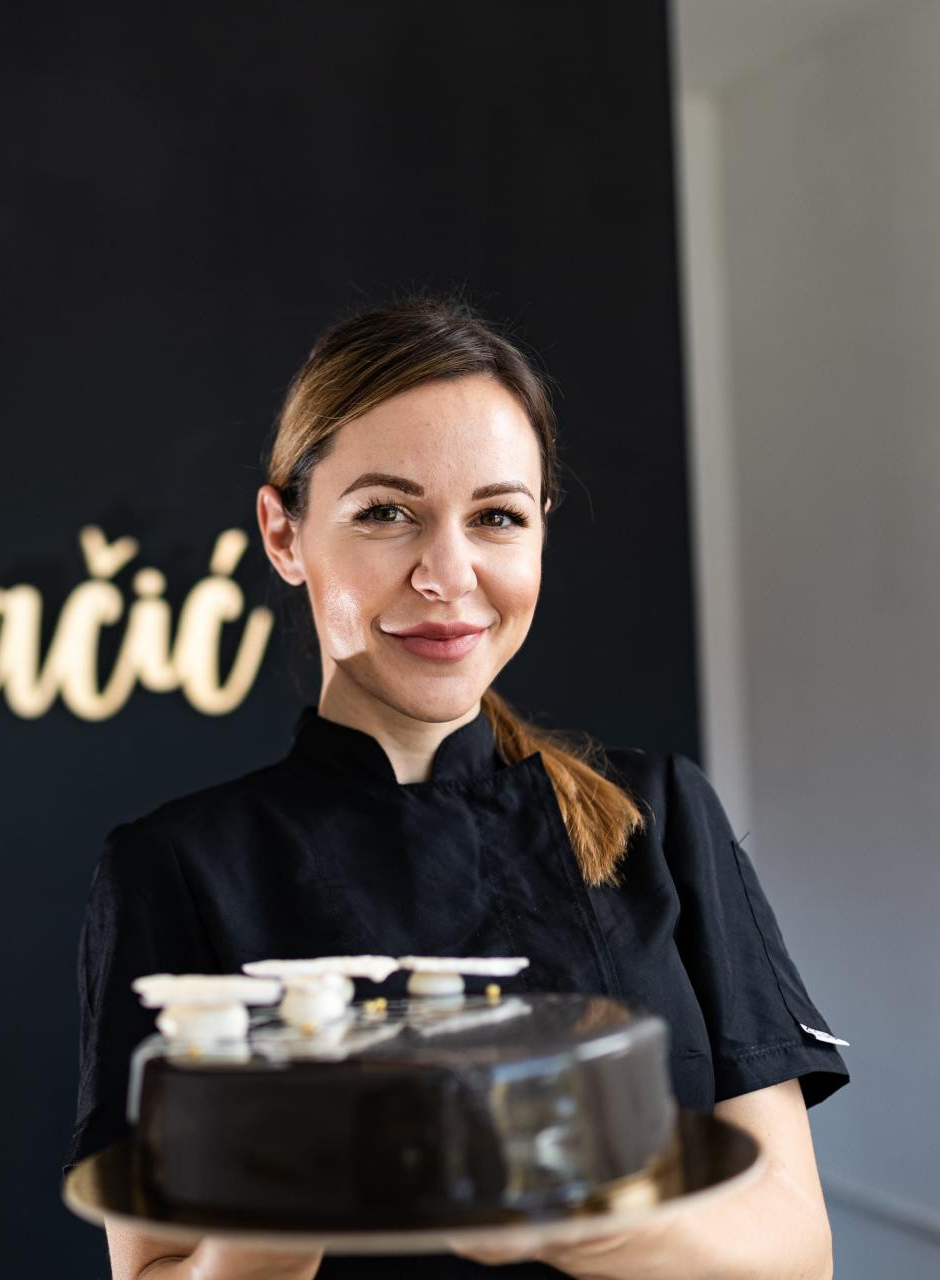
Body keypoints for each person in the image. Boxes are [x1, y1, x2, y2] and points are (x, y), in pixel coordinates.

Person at [64, 296, 850, 1279]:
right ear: (283, 534)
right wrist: (292, 1161)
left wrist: (574, 1215)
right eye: (386, 513)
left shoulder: (660, 815)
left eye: (496, 517)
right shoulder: (175, 869)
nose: (448, 573)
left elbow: (798, 1251)